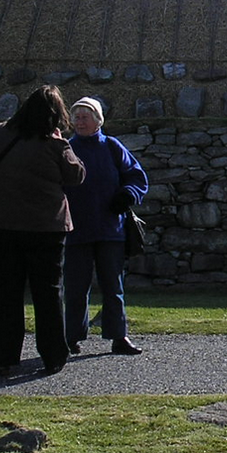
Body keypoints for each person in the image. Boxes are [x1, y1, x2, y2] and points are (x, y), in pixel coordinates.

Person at [0, 85, 85, 377]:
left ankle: (3, 357)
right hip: (44, 227)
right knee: (48, 293)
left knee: (6, 293)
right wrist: (64, 145)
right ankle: (53, 355)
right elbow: (76, 176)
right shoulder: (52, 143)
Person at [63, 96, 149, 356]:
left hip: (110, 229)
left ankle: (119, 336)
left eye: (85, 117)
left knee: (113, 286)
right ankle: (71, 338)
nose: (80, 122)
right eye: (76, 117)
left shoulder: (112, 146)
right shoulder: (66, 148)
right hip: (76, 230)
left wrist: (127, 195)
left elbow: (137, 177)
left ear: (98, 120)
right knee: (76, 288)